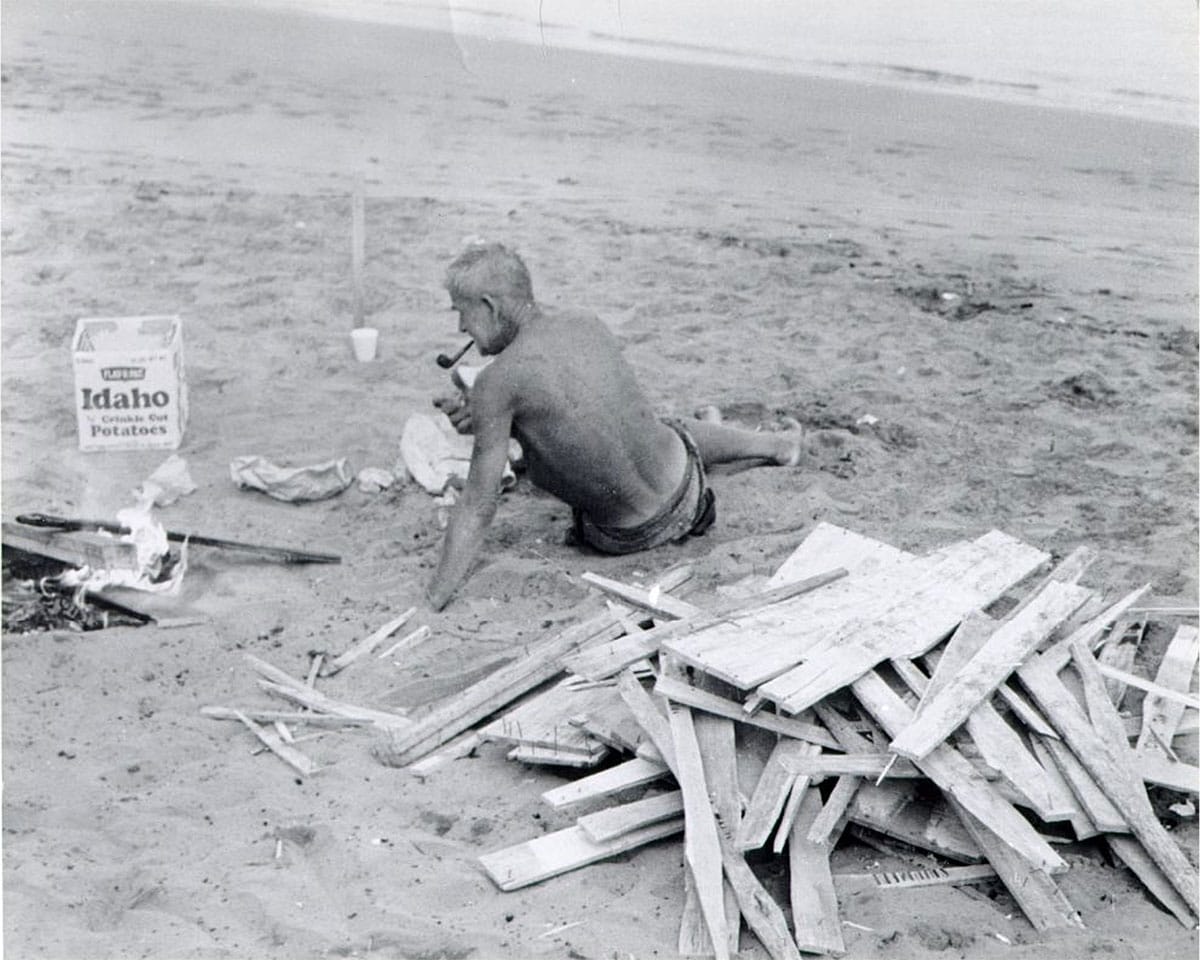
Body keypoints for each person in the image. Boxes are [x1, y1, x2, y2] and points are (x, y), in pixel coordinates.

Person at [425, 242, 802, 611]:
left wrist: (435, 597)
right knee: (659, 430)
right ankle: (776, 445)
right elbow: (588, 419)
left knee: (533, 460)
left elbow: (478, 506)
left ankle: (745, 444)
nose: (461, 327)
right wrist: (487, 420)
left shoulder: (496, 382)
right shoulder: (585, 323)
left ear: (490, 307)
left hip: (628, 537)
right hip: (691, 492)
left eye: (462, 313)